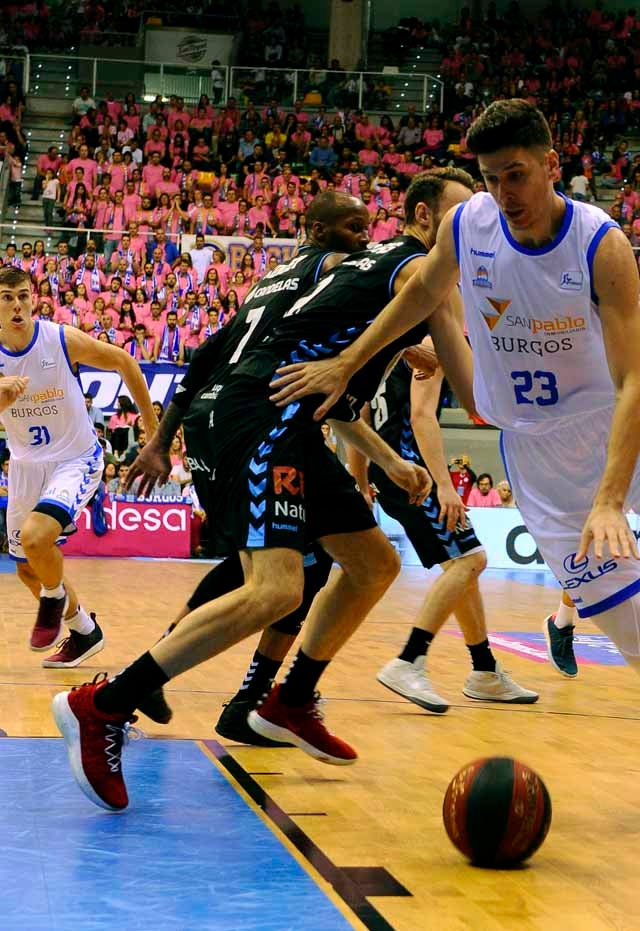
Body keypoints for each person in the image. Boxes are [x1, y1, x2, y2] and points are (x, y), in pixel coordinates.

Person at [267, 100, 640, 824]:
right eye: (490, 178)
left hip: (625, 430)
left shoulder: (600, 245)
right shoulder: (468, 225)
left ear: (552, 165)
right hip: (538, 459)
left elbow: (634, 381)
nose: (504, 193)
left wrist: (610, 498)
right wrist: (349, 359)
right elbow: (423, 291)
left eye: (516, 174)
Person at [52, 172, 474, 810]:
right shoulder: (412, 266)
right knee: (277, 585)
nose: (478, 227)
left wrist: (383, 426)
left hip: (284, 417)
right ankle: (104, 704)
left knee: (371, 563)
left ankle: (290, 700)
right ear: (422, 217)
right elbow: (471, 392)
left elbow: (322, 366)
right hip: (258, 412)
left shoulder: (365, 270)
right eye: (464, 215)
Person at [121, 189, 379, 739]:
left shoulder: (269, 282)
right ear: (316, 230)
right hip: (251, 420)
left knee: (274, 564)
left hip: (218, 417)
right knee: (281, 574)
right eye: (354, 226)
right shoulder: (337, 269)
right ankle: (174, 688)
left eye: (368, 227)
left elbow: (208, 354)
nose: (365, 237)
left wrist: (161, 440)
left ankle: (238, 694)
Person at [350, 350, 537, 712]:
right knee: (471, 561)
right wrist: (444, 485)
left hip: (384, 469)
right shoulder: (429, 344)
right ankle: (409, 660)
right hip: (413, 473)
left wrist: (361, 481)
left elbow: (361, 415)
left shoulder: (387, 347)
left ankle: (484, 670)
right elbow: (422, 418)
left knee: (462, 564)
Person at [0, 267, 158, 669]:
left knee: (37, 539)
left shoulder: (59, 339)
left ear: (33, 298)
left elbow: (125, 362)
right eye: (6, 297)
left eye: (22, 295)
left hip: (76, 458)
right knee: (28, 571)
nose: (17, 305)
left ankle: (54, 599)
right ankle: (85, 631)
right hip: (24, 466)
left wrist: (153, 434)